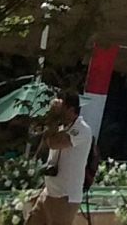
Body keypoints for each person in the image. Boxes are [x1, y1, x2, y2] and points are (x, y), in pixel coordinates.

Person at [28, 93, 91, 225]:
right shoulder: (61, 127)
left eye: (61, 108)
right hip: (48, 192)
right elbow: (46, 143)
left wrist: (53, 118)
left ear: (71, 109)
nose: (58, 112)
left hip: (65, 196)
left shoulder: (82, 129)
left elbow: (54, 143)